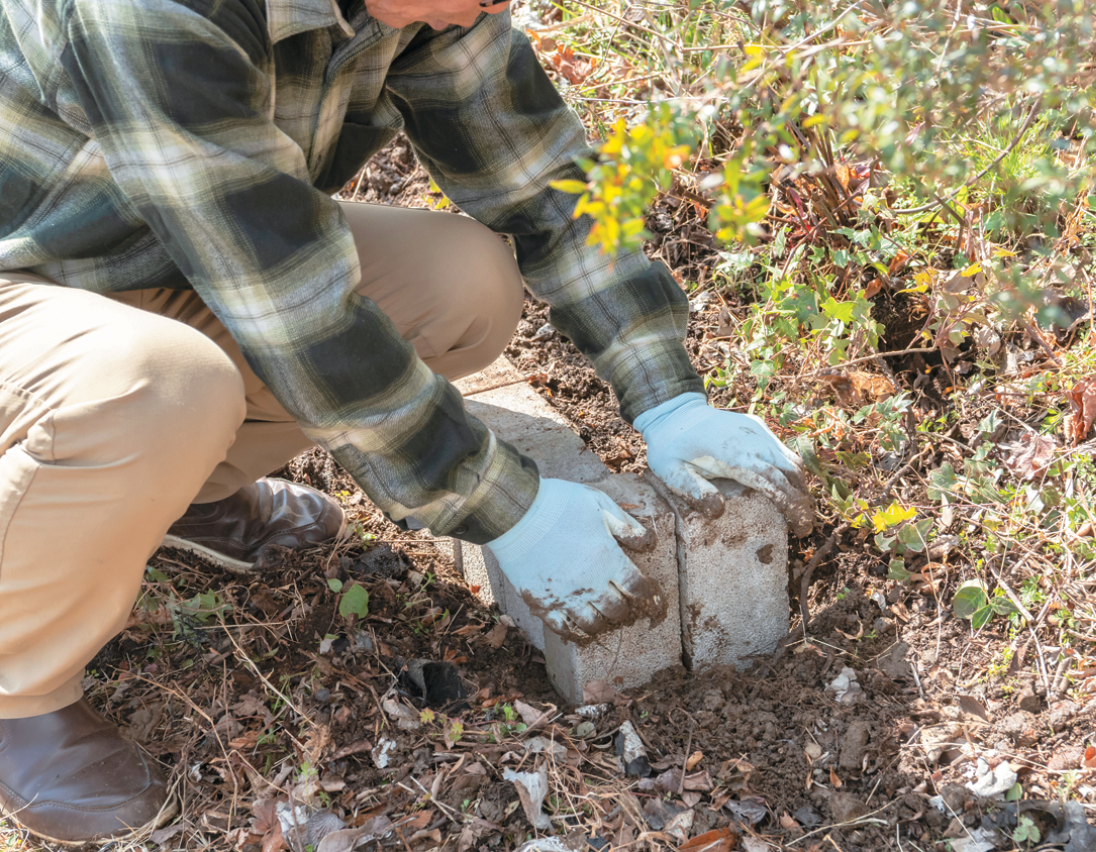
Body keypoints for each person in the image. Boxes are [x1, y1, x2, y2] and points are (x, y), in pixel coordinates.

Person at [0, 0, 812, 842]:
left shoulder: (431, 6)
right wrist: (500, 503)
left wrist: (667, 395)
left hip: (162, 251)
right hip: (20, 280)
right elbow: (291, 304)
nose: (500, 5)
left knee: (464, 288)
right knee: (157, 388)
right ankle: (17, 689)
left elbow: (547, 185)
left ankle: (172, 490)